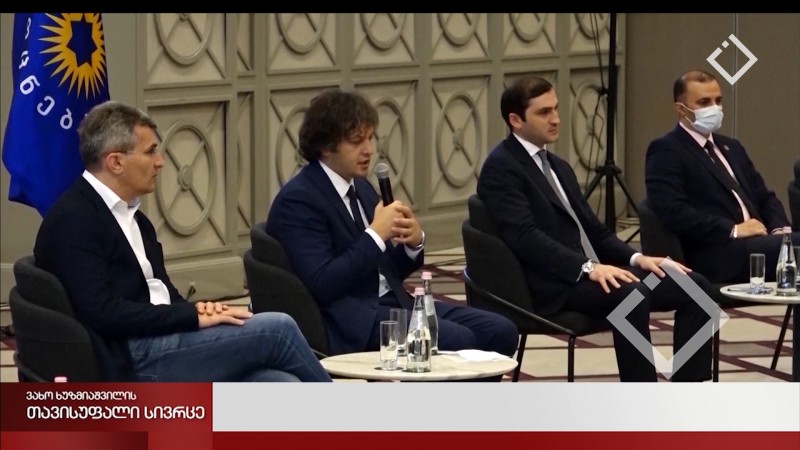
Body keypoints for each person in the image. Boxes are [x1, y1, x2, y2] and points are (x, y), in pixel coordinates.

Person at [34, 101, 331, 382]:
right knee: (278, 329)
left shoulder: (134, 218)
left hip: (162, 338)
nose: (160, 162)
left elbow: (161, 294)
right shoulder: (74, 219)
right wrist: (190, 316)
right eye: (151, 152)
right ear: (116, 162)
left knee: (280, 382)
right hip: (131, 357)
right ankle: (346, 417)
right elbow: (103, 312)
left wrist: (203, 311)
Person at [476, 75, 714, 382]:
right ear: (515, 120)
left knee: (696, 287)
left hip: (595, 273)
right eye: (544, 112)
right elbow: (525, 238)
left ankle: (688, 390)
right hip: (556, 283)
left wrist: (637, 258)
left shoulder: (558, 166)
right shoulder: (501, 167)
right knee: (631, 294)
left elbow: (595, 232)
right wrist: (587, 267)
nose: (556, 119)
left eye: (556, 109)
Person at [266, 88, 518, 361]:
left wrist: (413, 244)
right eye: (357, 141)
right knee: (459, 340)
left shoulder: (360, 187)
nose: (369, 150)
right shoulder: (299, 200)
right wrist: (376, 234)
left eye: (370, 138)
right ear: (326, 147)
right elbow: (323, 283)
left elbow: (384, 269)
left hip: (393, 302)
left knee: (500, 331)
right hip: (352, 319)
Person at [645, 69, 798, 284]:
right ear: (681, 109)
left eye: (718, 101)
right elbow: (673, 211)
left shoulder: (731, 147)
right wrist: (732, 230)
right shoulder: (666, 150)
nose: (714, 108)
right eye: (704, 102)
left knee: (793, 245)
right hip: (717, 252)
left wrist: (780, 230)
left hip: (759, 243)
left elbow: (765, 196)